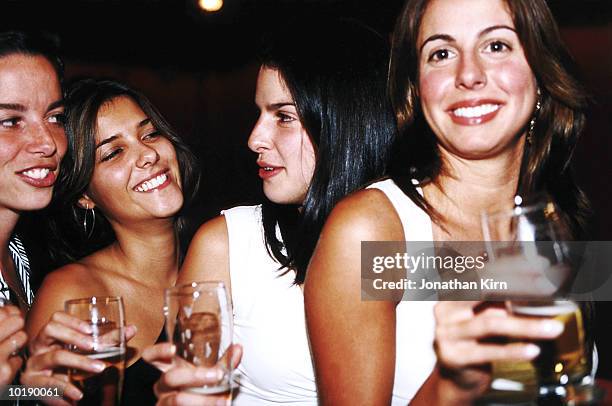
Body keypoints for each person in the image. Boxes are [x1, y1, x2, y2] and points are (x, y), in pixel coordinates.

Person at [304, 0, 593, 404]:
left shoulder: (554, 222)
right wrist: (451, 385)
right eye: (441, 53)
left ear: (542, 76)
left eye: (496, 46)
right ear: (417, 89)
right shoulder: (371, 231)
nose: (469, 75)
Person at [143, 19, 398, 405]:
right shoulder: (226, 245)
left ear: (345, 122)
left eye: (283, 116)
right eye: (260, 113)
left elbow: (512, 380)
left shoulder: (428, 234)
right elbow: (188, 390)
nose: (254, 139)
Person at [23, 78, 200, 405]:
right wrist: (31, 391)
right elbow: (23, 393)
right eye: (114, 152)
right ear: (85, 195)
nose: (147, 154)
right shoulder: (72, 293)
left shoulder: (222, 258)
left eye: (150, 134)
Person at [0, 30, 67, 385]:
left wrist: (31, 387)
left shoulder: (22, 254)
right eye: (11, 121)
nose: (47, 143)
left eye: (55, 117)